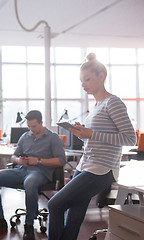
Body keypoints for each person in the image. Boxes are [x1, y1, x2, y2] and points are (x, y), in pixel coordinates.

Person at [47, 53, 137, 240]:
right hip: (85, 165)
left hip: (102, 169)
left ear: (101, 76)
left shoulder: (113, 102)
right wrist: (83, 134)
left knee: (55, 205)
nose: (83, 84)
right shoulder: (96, 106)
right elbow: (97, 139)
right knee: (74, 215)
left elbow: (130, 139)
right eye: (81, 80)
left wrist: (92, 134)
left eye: (87, 79)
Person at [0, 110, 66, 240]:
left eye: (34, 126)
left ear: (41, 123)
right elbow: (13, 156)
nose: (31, 129)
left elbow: (61, 160)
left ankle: (29, 225)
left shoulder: (53, 138)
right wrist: (18, 160)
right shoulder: (25, 136)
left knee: (30, 183)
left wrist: (38, 161)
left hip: (40, 172)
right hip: (21, 170)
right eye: (29, 126)